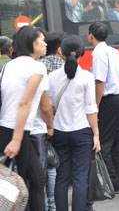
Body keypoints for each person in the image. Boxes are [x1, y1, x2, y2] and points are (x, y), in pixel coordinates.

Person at [0, 26, 48, 210]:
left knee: (35, 179)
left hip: (7, 128)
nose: (45, 44)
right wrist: (16, 140)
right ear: (31, 43)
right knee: (27, 181)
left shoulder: (8, 66)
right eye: (41, 40)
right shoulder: (37, 68)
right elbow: (24, 103)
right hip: (16, 132)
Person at [50, 35, 100, 211]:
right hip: (82, 133)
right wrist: (96, 134)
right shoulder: (87, 77)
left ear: (61, 53)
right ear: (82, 53)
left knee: (61, 177)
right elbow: (91, 108)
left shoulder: (52, 77)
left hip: (59, 132)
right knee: (80, 178)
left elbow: (51, 108)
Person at [88, 22, 119, 192]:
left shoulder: (98, 53)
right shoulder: (114, 51)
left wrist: (95, 107)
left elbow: (100, 81)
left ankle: (110, 183)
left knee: (104, 142)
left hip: (109, 101)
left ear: (91, 36)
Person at [36, 31, 66, 211]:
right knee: (54, 164)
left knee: (44, 163)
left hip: (42, 122)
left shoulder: (37, 65)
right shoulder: (65, 66)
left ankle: (46, 204)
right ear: (61, 50)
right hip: (58, 121)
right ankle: (53, 204)